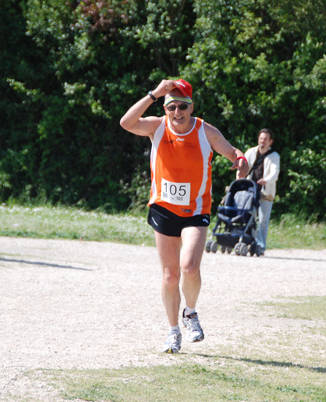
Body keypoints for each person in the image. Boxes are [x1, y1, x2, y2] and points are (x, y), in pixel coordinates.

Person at [120, 79, 249, 353]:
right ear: (165, 108)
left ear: (192, 107)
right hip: (164, 209)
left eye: (183, 106)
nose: (177, 112)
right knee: (169, 276)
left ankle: (190, 313)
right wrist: (154, 93)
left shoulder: (205, 131)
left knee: (189, 267)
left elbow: (232, 152)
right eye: (172, 107)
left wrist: (241, 162)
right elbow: (126, 122)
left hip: (195, 210)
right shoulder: (156, 126)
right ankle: (173, 331)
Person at [244, 128, 280, 256]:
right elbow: (243, 166)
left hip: (265, 192)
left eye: (265, 139)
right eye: (261, 138)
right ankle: (249, 243)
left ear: (270, 142)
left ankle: (260, 246)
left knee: (262, 221)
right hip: (249, 191)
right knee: (247, 217)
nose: (262, 141)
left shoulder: (274, 156)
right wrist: (239, 177)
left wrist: (266, 180)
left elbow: (275, 173)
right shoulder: (251, 152)